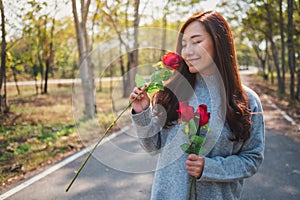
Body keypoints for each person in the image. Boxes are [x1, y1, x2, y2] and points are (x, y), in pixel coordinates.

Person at [129, 11, 264, 200]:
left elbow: (252, 159)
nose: (187, 52)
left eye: (196, 41)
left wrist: (209, 168)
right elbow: (153, 146)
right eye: (184, 44)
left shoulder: (246, 100)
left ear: (218, 43)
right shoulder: (171, 92)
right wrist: (141, 112)